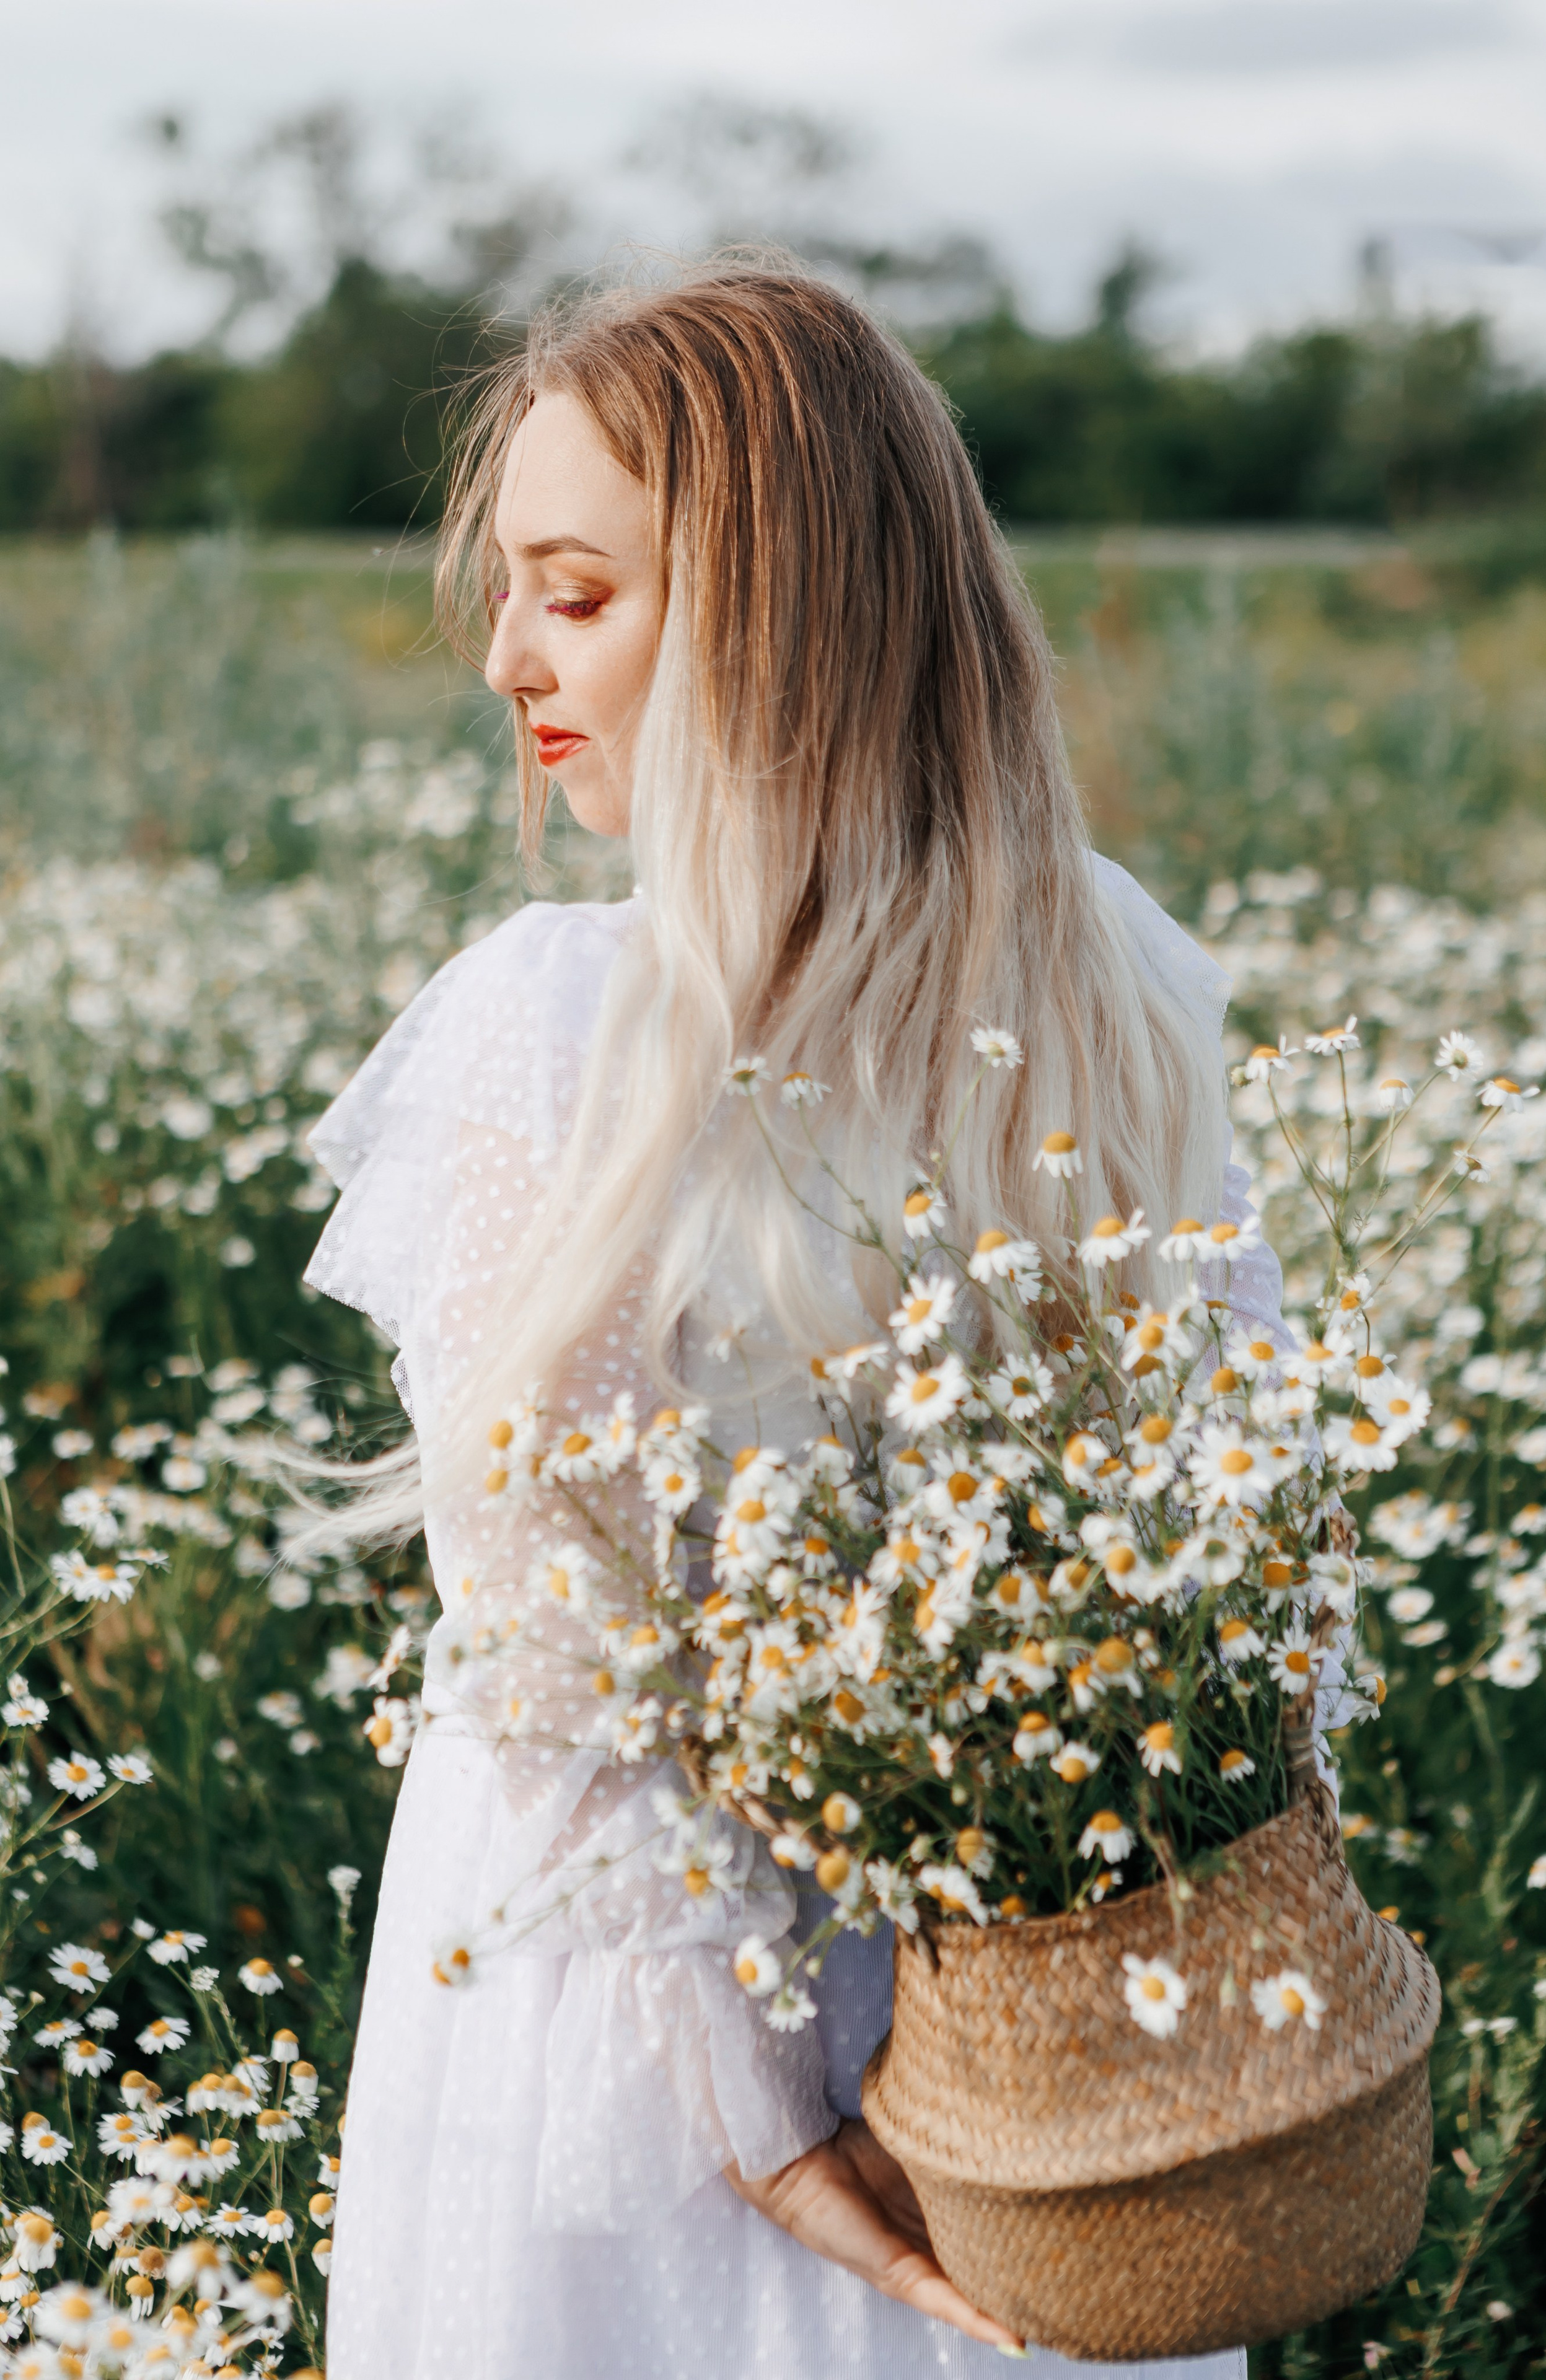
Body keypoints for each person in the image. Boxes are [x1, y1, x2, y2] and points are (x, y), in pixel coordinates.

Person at [302, 258, 1282, 2379]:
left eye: (576, 592)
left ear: (768, 615)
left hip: (659, 2043)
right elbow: (1246, 1590)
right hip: (1020, 2044)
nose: (506, 658)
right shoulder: (1116, 977)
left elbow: (553, 1663)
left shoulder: (569, 1023)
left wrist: (764, 2122)